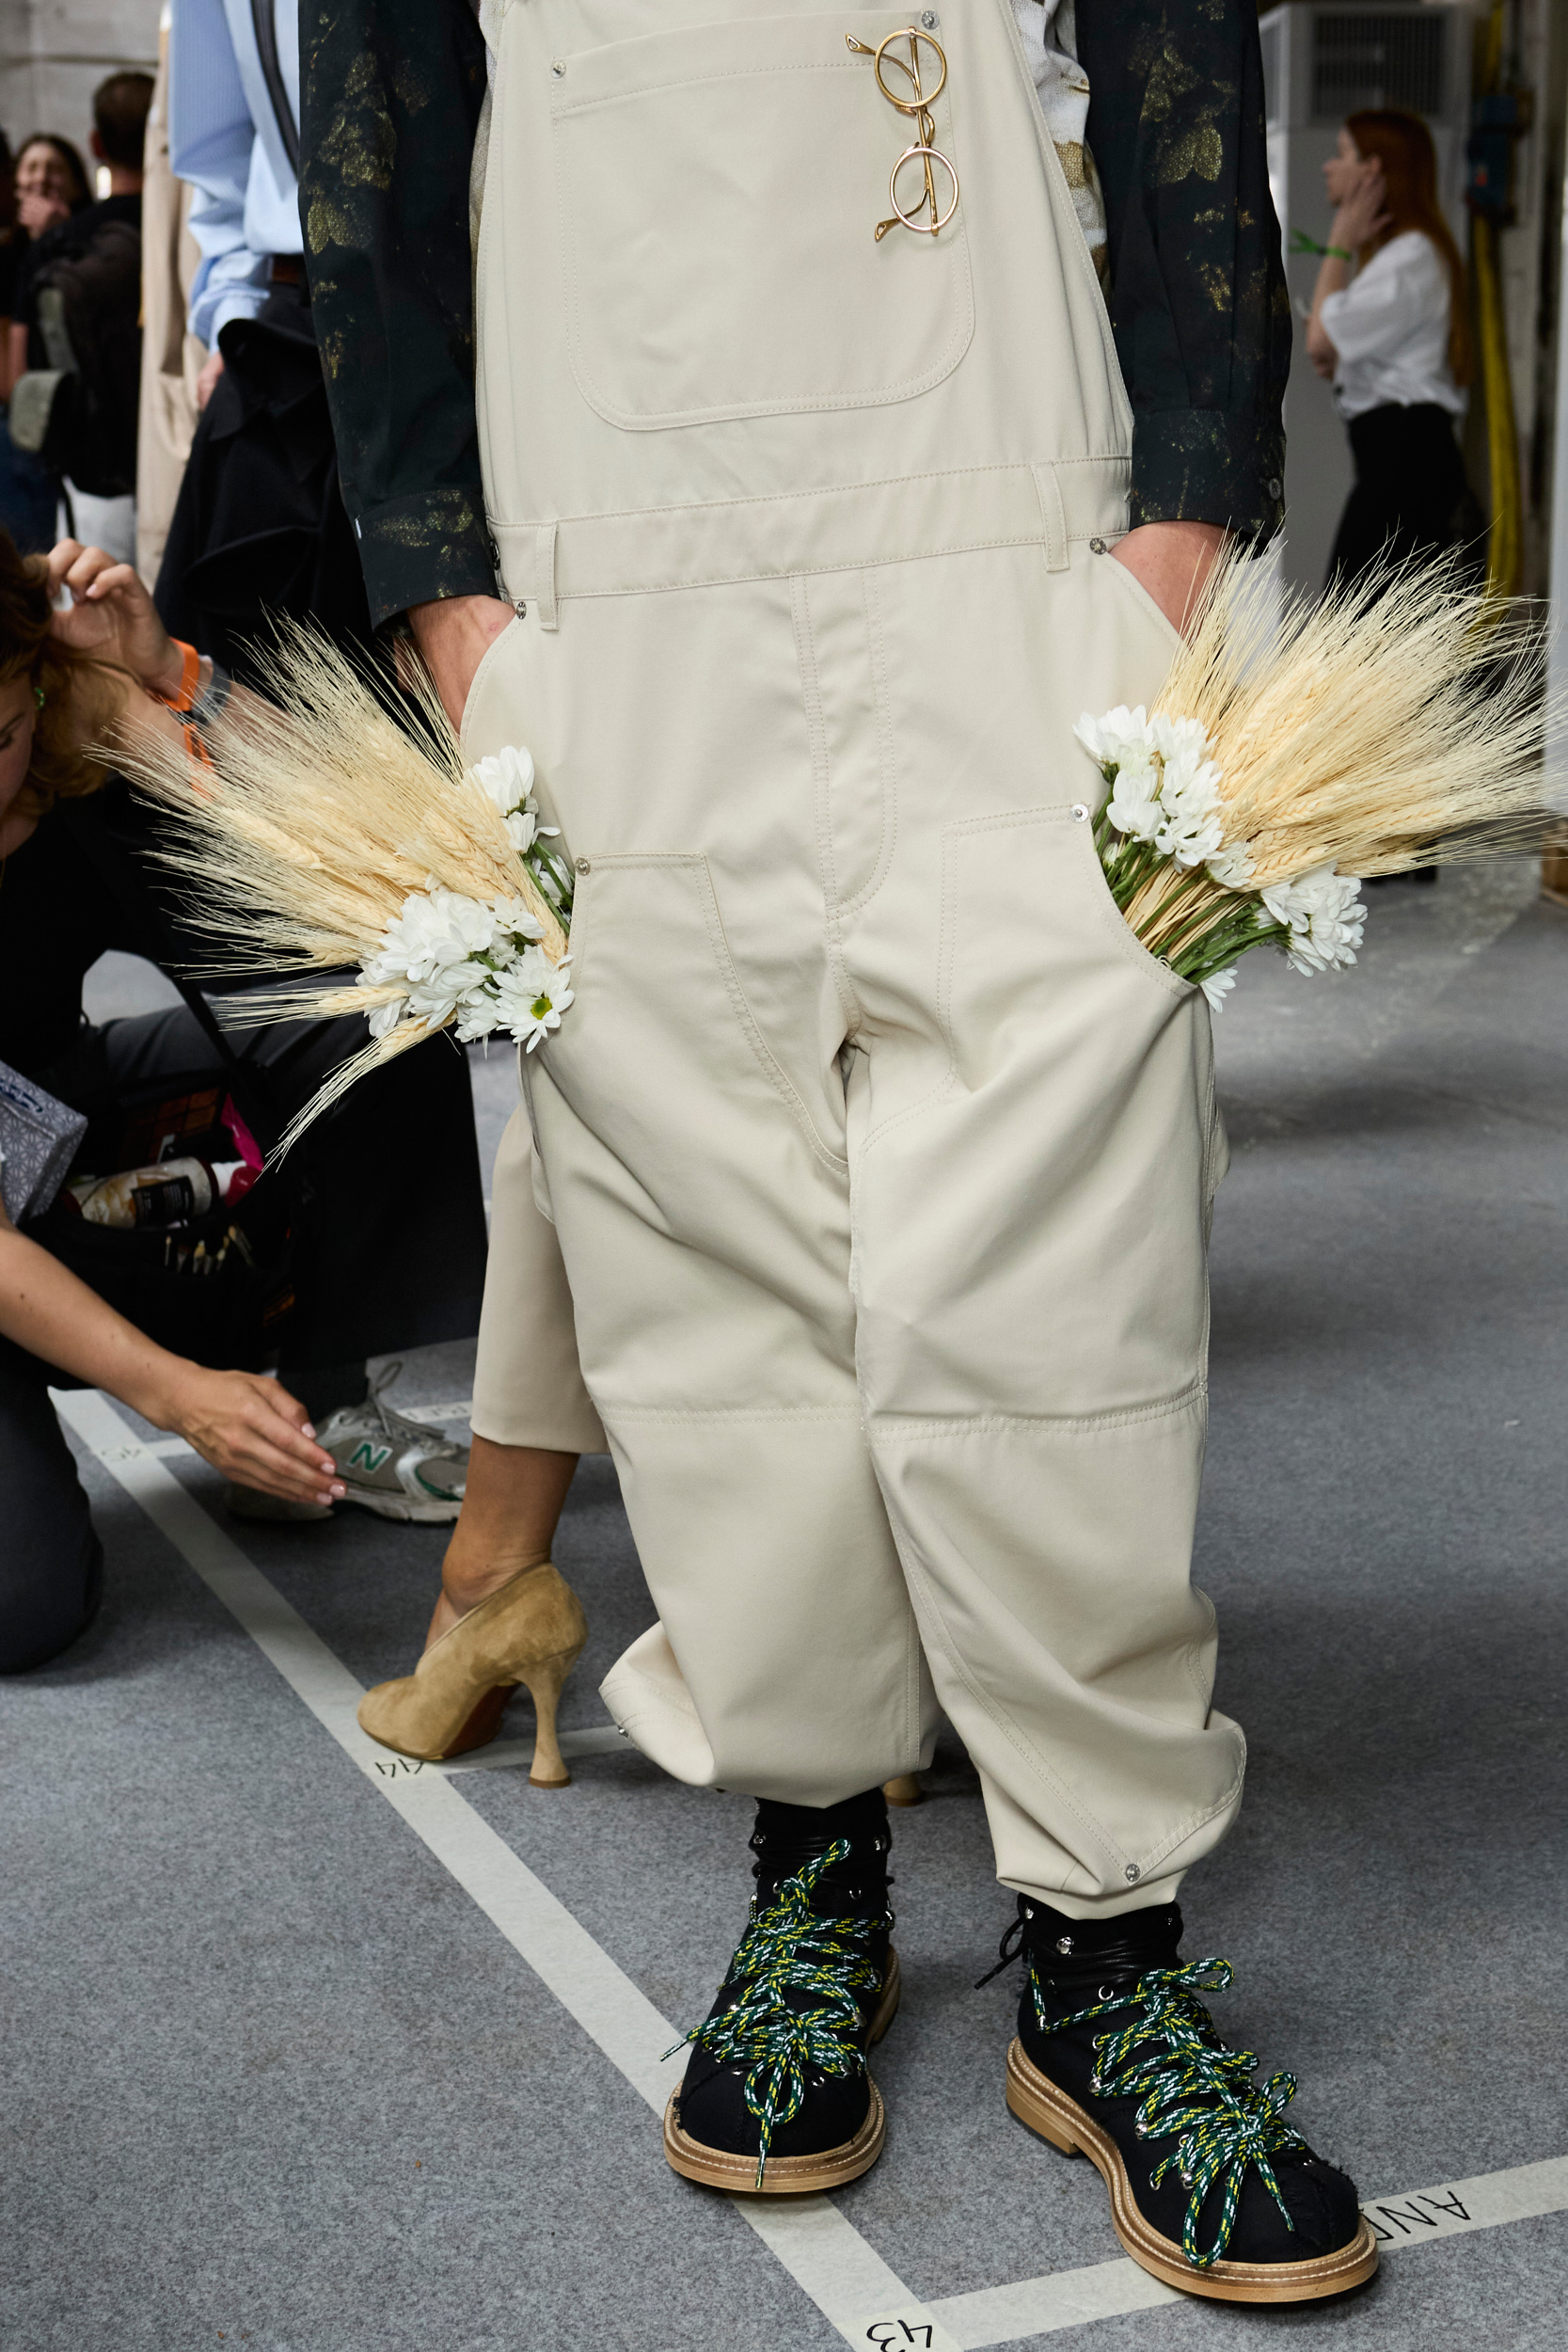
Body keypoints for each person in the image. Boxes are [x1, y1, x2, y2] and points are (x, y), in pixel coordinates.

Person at [303, 0, 1378, 2302]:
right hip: (611, 615)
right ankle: (818, 1869)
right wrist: (463, 626)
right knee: (718, 1304)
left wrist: (1181, 527)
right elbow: (374, 178)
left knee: (1061, 1282)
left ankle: (1105, 1947)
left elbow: (1179, 64)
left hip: (1018, 576)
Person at [0, 533, 495, 1667]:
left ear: (33, 683)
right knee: (23, 1609)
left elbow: (359, 854)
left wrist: (166, 674)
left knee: (391, 981)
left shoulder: (73, 736)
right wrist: (181, 1397)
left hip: (54, 1118)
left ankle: (326, 1406)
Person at [154, 0, 371, 685]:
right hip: (287, 336)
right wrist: (235, 311)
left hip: (478, 324)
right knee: (241, 725)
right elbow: (220, 157)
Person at [1305, 108, 1471, 593]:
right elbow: (1328, 350)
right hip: (1401, 459)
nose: (1328, 167)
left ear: (1373, 170)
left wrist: (1339, 240)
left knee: (1353, 630)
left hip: (1406, 463)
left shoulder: (1410, 258)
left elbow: (1321, 340)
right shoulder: (1406, 257)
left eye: (1342, 155)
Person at [8, 83, 151, 563]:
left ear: (94, 147)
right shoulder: (193, 229)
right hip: (186, 452)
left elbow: (15, 380)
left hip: (95, 473)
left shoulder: (59, 247)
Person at [0, 135, 90, 552]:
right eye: (31, 166)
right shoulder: (8, 252)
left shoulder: (93, 240)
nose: (42, 177)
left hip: (85, 417)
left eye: (54, 167)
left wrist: (58, 235)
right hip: (20, 419)